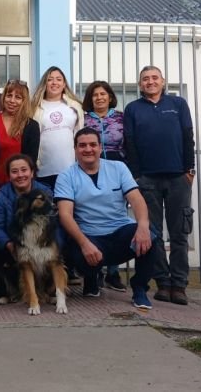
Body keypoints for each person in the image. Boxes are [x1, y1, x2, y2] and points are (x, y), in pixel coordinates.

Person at [55, 128, 159, 310]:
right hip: (89, 235)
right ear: (75, 149)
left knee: (150, 237)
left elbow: (136, 199)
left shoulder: (118, 168)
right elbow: (65, 214)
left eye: (93, 144)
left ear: (100, 147)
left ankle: (140, 288)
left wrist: (143, 226)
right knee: (78, 256)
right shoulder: (66, 176)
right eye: (82, 145)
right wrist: (84, 243)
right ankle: (91, 276)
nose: (88, 149)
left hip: (120, 231)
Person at [124, 65, 195, 306]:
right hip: (147, 180)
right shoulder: (132, 109)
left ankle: (179, 284)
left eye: (155, 78)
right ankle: (162, 283)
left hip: (178, 177)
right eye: (145, 79)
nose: (150, 82)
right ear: (140, 84)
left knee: (179, 234)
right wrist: (135, 176)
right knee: (152, 235)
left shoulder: (178, 104)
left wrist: (189, 169)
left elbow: (188, 135)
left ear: (163, 81)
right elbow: (129, 143)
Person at [0, 154, 52, 304]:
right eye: (14, 171)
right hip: (15, 242)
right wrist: (10, 245)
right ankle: (6, 291)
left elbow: (54, 222)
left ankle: (49, 291)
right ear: (9, 176)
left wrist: (47, 245)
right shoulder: (2, 195)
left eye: (24, 170)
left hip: (42, 243)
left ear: (32, 172)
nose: (20, 175)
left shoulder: (45, 193)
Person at [82, 80, 126, 291]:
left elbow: (129, 144)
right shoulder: (83, 120)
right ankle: (96, 269)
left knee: (116, 217)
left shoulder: (121, 118)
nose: (99, 98)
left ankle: (114, 272)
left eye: (103, 94)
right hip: (90, 169)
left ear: (110, 96)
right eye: (94, 95)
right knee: (93, 216)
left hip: (116, 169)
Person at [0, 79, 39, 202]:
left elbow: (31, 159)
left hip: (22, 188)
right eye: (9, 95)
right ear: (3, 97)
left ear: (24, 101)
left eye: (18, 97)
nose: (12, 101)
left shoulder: (31, 126)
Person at [31, 66, 83, 190]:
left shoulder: (75, 107)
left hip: (70, 170)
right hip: (43, 171)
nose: (54, 83)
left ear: (64, 84)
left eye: (59, 79)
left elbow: (80, 135)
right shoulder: (34, 108)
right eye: (50, 79)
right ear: (45, 83)